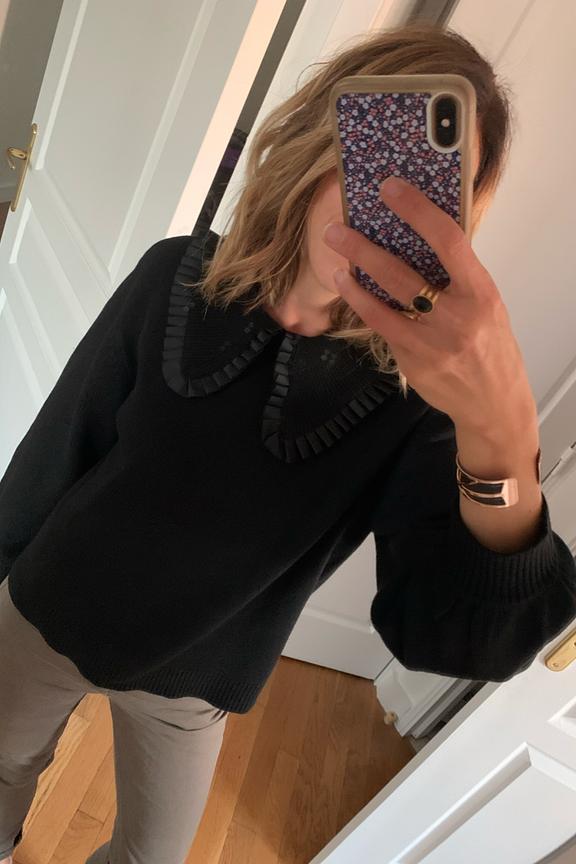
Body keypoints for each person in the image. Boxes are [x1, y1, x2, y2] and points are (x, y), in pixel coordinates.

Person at [1, 21, 575, 864]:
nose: (391, 204)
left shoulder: (418, 401)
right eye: (376, 162)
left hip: (196, 681)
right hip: (47, 607)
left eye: (429, 186)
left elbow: (453, 638)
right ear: (318, 143)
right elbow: (60, 442)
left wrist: (502, 435)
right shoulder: (173, 274)